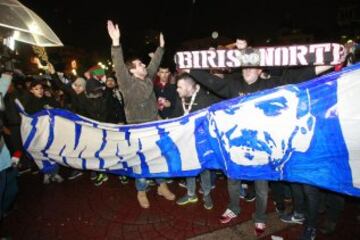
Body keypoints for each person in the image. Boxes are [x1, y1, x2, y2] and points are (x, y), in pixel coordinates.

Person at [187, 39, 332, 238]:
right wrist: (190, 69)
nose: (247, 70)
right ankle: (233, 207)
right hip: (237, 146)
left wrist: (330, 63)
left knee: (262, 186)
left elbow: (299, 76)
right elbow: (212, 81)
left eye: (252, 67)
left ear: (259, 69)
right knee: (233, 179)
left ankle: (260, 217)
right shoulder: (233, 85)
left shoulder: (270, 85)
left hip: (262, 147)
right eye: (245, 66)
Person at [107, 20, 175, 208]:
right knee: (141, 163)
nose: (144, 65)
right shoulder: (126, 83)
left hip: (154, 125)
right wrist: (115, 43)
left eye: (142, 64)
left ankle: (162, 186)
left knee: (160, 157)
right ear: (132, 71)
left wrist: (161, 48)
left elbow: (154, 64)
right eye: (139, 65)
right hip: (137, 130)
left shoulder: (147, 78)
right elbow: (119, 65)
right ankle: (141, 191)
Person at [172, 73, 219, 210]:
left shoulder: (206, 99)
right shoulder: (180, 99)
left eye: (179, 87)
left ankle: (207, 194)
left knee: (204, 169)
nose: (177, 90)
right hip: (185, 141)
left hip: (201, 142)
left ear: (188, 87)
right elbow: (175, 118)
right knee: (188, 168)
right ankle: (191, 193)